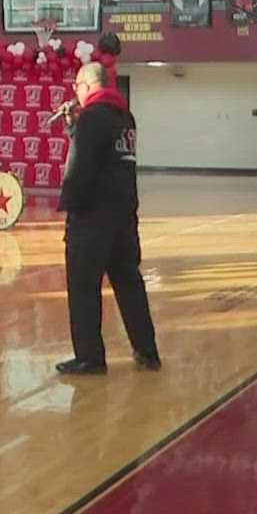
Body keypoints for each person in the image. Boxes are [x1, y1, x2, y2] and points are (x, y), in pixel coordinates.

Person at [55, 63, 159, 375]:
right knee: (129, 282)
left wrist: (69, 208)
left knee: (84, 285)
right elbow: (108, 157)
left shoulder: (91, 117)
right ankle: (147, 350)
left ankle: (89, 357)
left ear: (88, 85)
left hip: (93, 216)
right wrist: (76, 127)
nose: (74, 91)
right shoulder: (125, 117)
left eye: (77, 85)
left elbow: (79, 168)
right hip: (124, 213)